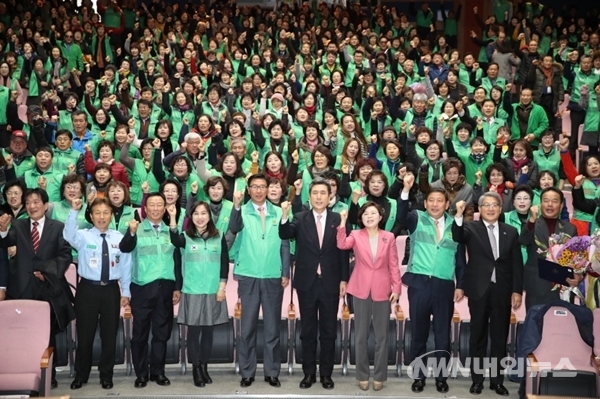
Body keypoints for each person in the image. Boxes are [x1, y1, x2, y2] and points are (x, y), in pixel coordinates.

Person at [397, 174, 466, 393]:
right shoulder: (417, 218)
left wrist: (460, 285)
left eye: (440, 201)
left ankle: (441, 377)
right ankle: (418, 376)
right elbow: (400, 216)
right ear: (425, 203)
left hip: (444, 286)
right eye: (431, 201)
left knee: (443, 335)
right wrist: (406, 190)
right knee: (418, 333)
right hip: (419, 285)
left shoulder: (456, 226)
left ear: (448, 204)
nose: (435, 204)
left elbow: (460, 259)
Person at [279, 179, 349, 390]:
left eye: (323, 193)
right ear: (309, 197)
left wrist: (344, 279)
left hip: (331, 282)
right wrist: (284, 215)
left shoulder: (338, 219)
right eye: (315, 193)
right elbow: (285, 233)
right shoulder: (300, 217)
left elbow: (343, 251)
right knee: (308, 330)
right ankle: (308, 373)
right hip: (306, 283)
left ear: (330, 197)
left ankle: (326, 374)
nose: (319, 197)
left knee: (328, 331)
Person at [0, 188, 74, 388]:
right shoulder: (17, 224)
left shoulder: (58, 227)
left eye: (36, 202)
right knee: (22, 333)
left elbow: (65, 254)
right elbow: (5, 241)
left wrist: (47, 271)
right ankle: (24, 370)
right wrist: (3, 230)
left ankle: (49, 375)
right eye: (28, 202)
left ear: (45, 204)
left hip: (46, 286)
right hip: (21, 288)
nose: (32, 206)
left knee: (46, 333)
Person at [451, 193, 523, 396]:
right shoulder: (470, 228)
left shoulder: (511, 231)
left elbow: (516, 264)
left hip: (502, 290)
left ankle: (497, 380)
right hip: (478, 290)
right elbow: (457, 236)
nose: (490, 209)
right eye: (486, 205)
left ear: (501, 209)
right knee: (478, 336)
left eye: (494, 205)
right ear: (479, 210)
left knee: (500, 337)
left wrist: (517, 290)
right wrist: (458, 214)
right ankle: (477, 380)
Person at [63, 197, 134, 390]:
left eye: (105, 213)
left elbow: (126, 266)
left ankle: (106, 375)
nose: (101, 217)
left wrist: (126, 291)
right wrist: (73, 211)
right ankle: (81, 375)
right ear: (91, 216)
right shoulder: (83, 236)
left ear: (111, 215)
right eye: (97, 213)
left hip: (111, 290)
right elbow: (68, 235)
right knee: (84, 336)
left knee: (109, 336)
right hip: (87, 290)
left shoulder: (119, 238)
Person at [228, 174, 291, 388]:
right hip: (249, 275)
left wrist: (285, 272)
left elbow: (284, 244)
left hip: (273, 275)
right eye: (254, 186)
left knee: (273, 328)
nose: (259, 190)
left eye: (263, 186)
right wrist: (236, 206)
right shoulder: (242, 211)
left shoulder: (278, 212)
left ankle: (272, 372)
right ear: (248, 189)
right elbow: (234, 228)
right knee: (247, 328)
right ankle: (247, 372)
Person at [120, 192, 183, 388]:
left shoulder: (171, 231)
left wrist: (177, 287)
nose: (155, 209)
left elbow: (178, 260)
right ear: (145, 209)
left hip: (165, 289)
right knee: (139, 334)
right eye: (152, 205)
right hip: (142, 288)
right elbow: (124, 248)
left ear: (165, 209)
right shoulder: (135, 229)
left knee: (161, 334)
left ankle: (158, 372)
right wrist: (130, 232)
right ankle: (141, 374)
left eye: (159, 205)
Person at [336, 202, 401, 391]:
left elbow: (394, 265)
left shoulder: (388, 237)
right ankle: (362, 374)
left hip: (382, 289)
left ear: (381, 217)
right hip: (360, 288)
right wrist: (342, 222)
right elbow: (341, 244)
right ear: (361, 218)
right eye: (366, 213)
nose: (369, 216)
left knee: (382, 336)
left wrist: (396, 288)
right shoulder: (356, 235)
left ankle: (380, 375)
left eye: (374, 213)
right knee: (361, 335)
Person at [167, 201, 229, 387]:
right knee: (193, 332)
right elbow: (174, 240)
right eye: (196, 214)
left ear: (209, 216)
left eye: (203, 213)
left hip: (212, 291)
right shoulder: (185, 237)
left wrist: (222, 288)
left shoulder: (219, 237)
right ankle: (195, 368)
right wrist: (172, 218)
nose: (200, 217)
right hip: (192, 291)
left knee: (209, 332)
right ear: (191, 217)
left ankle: (204, 366)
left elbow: (224, 264)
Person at [519, 187, 579, 309]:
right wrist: (531, 220)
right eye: (546, 200)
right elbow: (523, 240)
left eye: (555, 201)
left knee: (561, 325)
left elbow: (577, 259)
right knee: (536, 324)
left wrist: (578, 275)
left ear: (561, 205)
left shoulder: (570, 228)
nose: (550, 204)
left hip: (563, 286)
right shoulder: (532, 224)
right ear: (540, 204)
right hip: (537, 285)